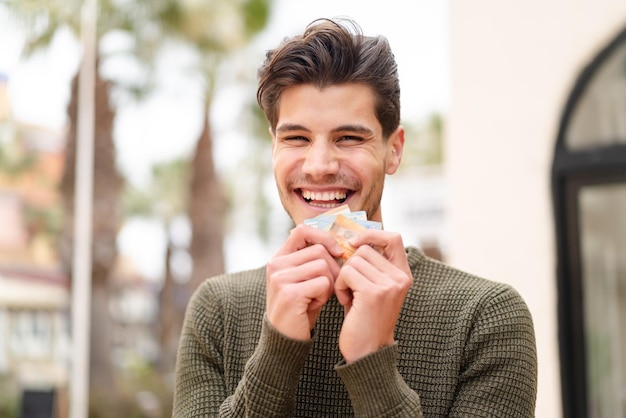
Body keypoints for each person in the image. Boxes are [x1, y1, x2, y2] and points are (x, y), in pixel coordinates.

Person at [172, 17, 537, 417]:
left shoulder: (486, 317)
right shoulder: (218, 309)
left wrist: (372, 361)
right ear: (273, 148)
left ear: (393, 150)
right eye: (297, 138)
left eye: (348, 138)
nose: (319, 166)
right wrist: (277, 349)